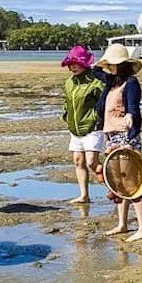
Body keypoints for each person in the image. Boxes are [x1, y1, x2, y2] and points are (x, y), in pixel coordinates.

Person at [94, 44, 142, 242]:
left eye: (112, 64)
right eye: (108, 64)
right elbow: (95, 71)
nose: (109, 67)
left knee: (132, 182)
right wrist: (102, 64)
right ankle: (122, 224)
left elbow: (133, 108)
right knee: (117, 182)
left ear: (121, 65)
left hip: (126, 136)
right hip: (111, 136)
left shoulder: (131, 83)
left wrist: (130, 118)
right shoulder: (111, 83)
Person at [61, 45, 105, 204]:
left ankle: (115, 187)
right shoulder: (69, 83)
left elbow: (105, 100)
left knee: (92, 162)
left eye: (76, 63)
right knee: (78, 161)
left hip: (92, 127)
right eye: (70, 64)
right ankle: (84, 195)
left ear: (84, 63)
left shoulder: (95, 81)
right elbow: (67, 102)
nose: (72, 67)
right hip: (75, 128)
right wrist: (66, 115)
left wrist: (96, 116)